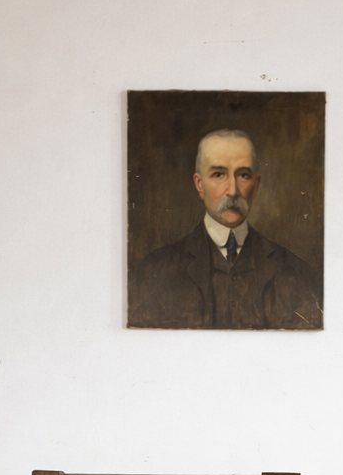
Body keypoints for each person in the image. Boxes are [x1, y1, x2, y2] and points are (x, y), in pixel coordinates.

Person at [129, 129, 323, 330]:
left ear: (256, 186)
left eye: (244, 175)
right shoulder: (154, 271)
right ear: (199, 184)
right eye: (219, 174)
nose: (232, 190)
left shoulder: (298, 274)